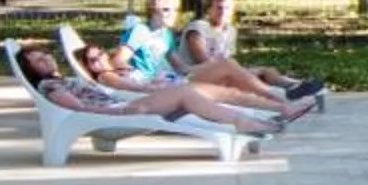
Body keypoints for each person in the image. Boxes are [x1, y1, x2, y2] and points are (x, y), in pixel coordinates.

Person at [15, 44, 281, 134]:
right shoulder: (51, 85)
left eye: (45, 55)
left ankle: (254, 117)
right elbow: (79, 110)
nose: (47, 59)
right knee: (189, 93)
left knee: (199, 93)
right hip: (122, 111)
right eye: (38, 60)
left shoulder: (61, 79)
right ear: (32, 70)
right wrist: (127, 110)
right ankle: (246, 120)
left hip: (124, 106)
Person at [76, 40, 319, 123]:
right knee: (227, 71)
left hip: (176, 81)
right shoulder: (108, 76)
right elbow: (135, 88)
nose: (97, 61)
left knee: (230, 71)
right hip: (171, 90)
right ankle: (282, 99)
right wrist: (156, 85)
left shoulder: (119, 66)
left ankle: (282, 104)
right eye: (91, 61)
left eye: (99, 55)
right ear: (88, 66)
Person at [177, 0, 316, 95]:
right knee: (255, 72)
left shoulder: (230, 30)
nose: (223, 12)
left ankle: (296, 86)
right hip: (194, 75)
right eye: (218, 8)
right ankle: (281, 92)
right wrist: (237, 71)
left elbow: (227, 58)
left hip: (221, 71)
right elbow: (203, 61)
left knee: (267, 71)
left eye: (227, 8)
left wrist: (238, 70)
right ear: (209, 10)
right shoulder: (198, 28)